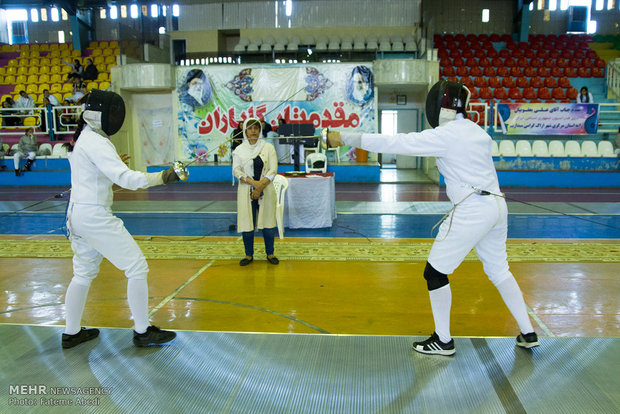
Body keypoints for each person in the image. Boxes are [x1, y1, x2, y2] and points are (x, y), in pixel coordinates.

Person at [326, 80, 539, 356]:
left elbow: (395, 142)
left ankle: (443, 339)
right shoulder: (478, 132)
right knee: (499, 270)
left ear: (440, 106)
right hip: (497, 207)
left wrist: (344, 137)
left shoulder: (445, 135)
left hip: (472, 209)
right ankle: (528, 331)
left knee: (434, 272)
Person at [62, 89, 180, 349]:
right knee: (136, 267)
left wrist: (113, 166)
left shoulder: (86, 137)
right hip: (94, 216)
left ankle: (71, 333)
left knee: (83, 273)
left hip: (78, 215)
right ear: (101, 115)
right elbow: (126, 179)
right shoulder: (97, 141)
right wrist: (162, 177)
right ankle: (142, 331)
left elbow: (97, 174)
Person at [232, 118, 279, 266]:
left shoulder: (268, 147)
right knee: (247, 222)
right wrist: (253, 184)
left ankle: (270, 253)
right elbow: (236, 170)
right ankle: (248, 255)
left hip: (266, 189)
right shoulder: (239, 150)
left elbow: (273, 170)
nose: (253, 131)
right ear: (245, 131)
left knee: (268, 222)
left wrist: (260, 187)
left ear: (260, 131)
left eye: (256, 128)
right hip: (246, 191)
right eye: (250, 128)